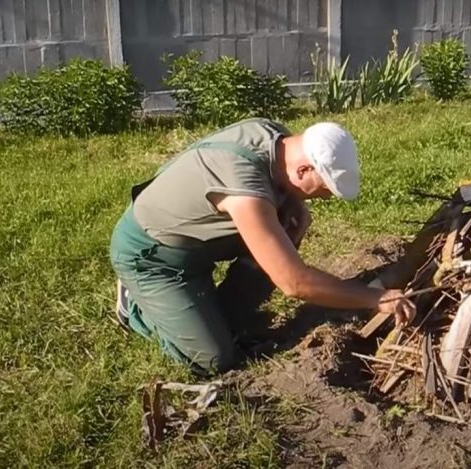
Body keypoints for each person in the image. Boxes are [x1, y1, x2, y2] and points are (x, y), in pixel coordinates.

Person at [109, 117, 415, 375]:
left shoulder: (275, 137)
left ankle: (217, 310)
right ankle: (135, 307)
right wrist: (373, 297)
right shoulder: (244, 188)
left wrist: (293, 199)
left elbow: (277, 181)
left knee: (281, 233)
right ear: (304, 171)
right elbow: (293, 282)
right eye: (321, 192)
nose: (321, 199)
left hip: (196, 241)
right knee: (213, 359)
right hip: (154, 258)